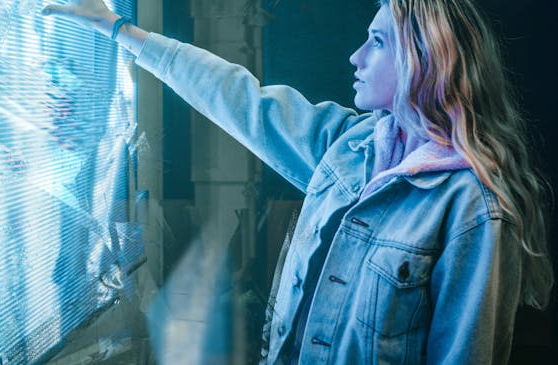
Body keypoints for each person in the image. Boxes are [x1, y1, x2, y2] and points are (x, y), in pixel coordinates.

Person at [44, 0, 554, 363]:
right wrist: (115, 29)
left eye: (376, 42)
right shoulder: (348, 147)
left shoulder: (472, 209)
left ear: (423, 60)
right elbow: (237, 97)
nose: (355, 57)